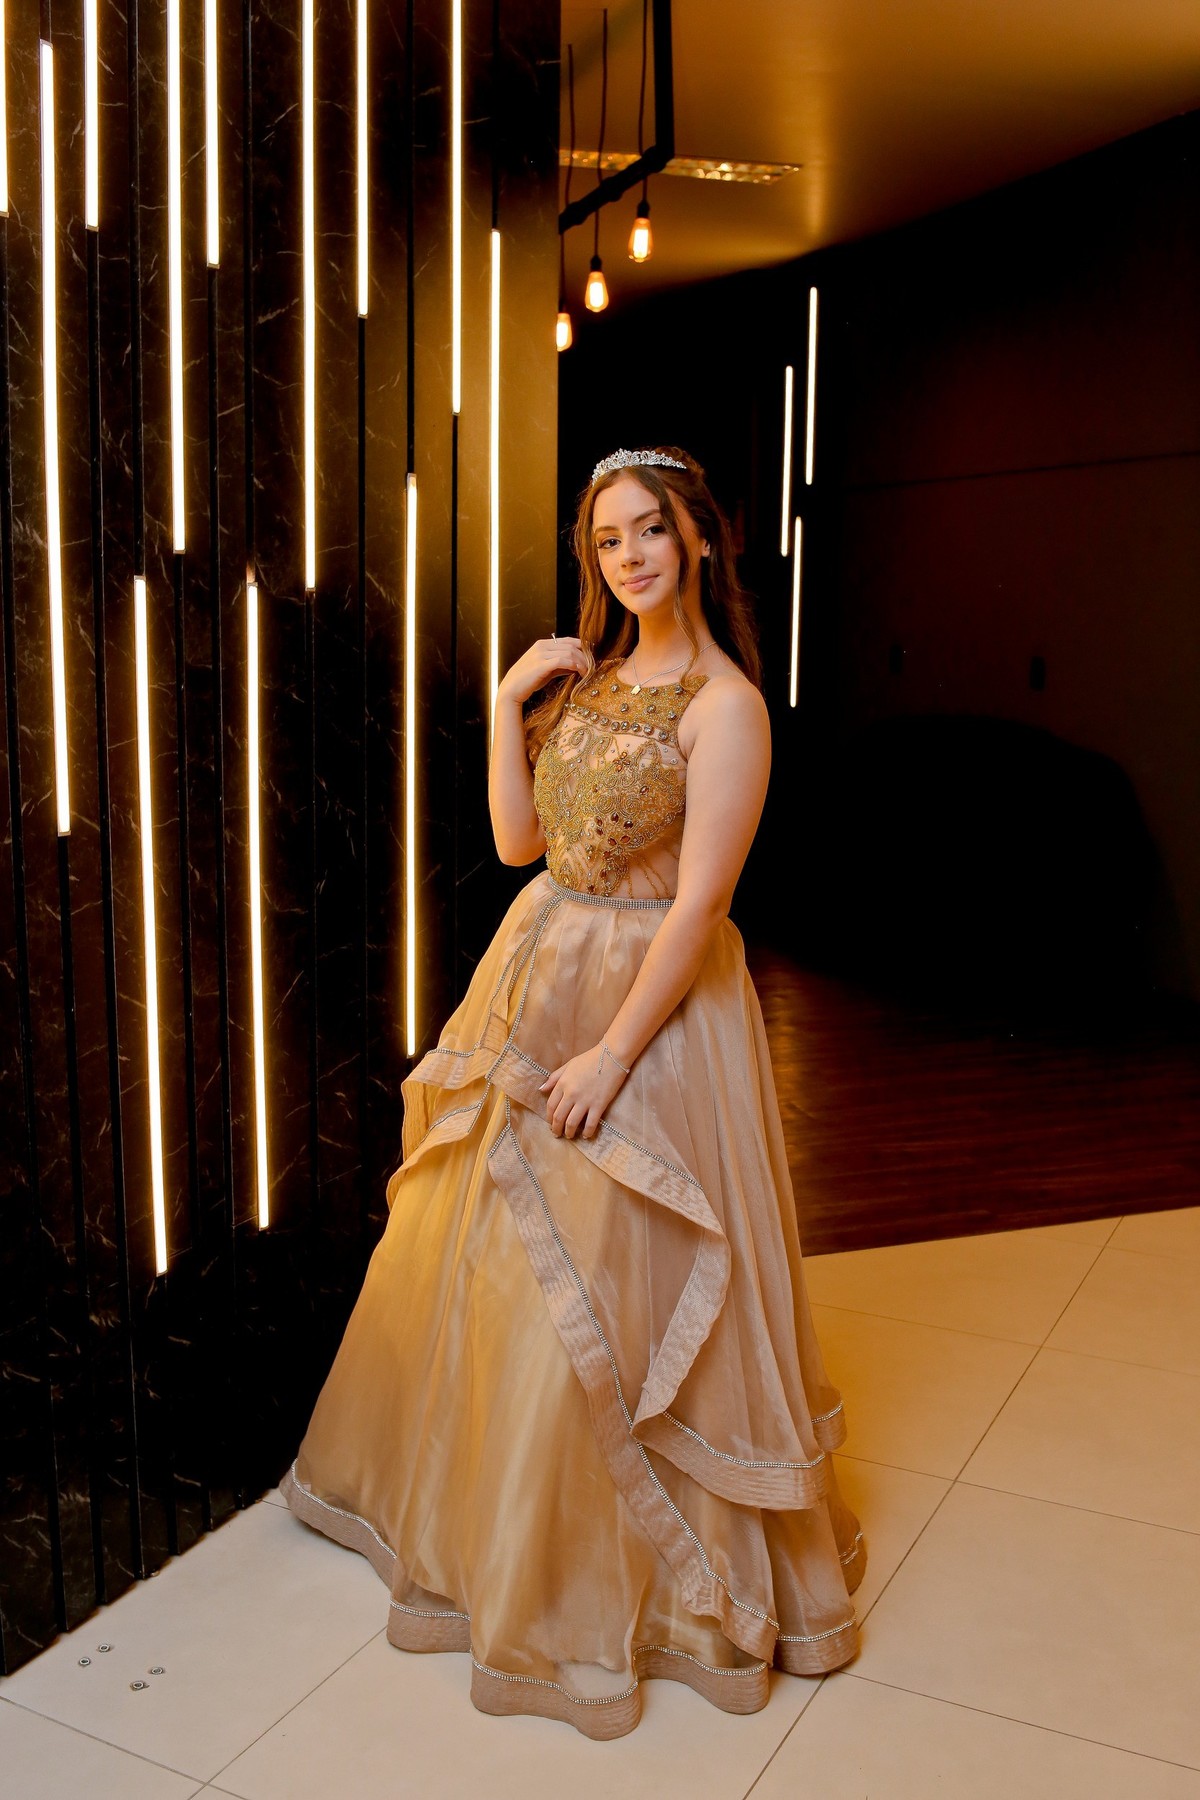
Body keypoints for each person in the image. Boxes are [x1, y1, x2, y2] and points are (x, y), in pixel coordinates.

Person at [280, 445, 865, 1740]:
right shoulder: (587, 680)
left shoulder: (727, 708)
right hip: (537, 969)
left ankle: (631, 1584)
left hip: (653, 1008)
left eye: (650, 530)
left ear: (698, 536)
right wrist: (508, 702)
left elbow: (702, 904)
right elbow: (516, 844)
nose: (630, 557)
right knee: (505, 1268)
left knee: (618, 1267)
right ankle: (498, 1536)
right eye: (608, 540)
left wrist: (611, 1054)